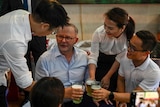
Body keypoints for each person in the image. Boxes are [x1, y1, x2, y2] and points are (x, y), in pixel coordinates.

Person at [0, 0, 69, 106]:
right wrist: (60, 94)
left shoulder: (21, 14)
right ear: (44, 26)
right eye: (53, 31)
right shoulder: (15, 41)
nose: (50, 34)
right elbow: (25, 83)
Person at [92, 30, 160, 106]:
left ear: (146, 53)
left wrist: (110, 95)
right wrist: (122, 100)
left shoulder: (154, 72)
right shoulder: (126, 58)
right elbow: (121, 79)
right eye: (129, 44)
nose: (128, 49)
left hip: (145, 101)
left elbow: (136, 96)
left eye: (133, 48)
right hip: (127, 96)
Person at [88, 7, 135, 106]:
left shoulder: (129, 36)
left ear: (122, 28)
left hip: (118, 64)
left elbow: (120, 58)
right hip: (100, 60)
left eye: (110, 28)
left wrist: (108, 76)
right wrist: (92, 77)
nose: (106, 30)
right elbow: (93, 56)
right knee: (97, 88)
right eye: (105, 25)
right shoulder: (99, 33)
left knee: (114, 90)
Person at [35, 23, 89, 107]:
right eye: (60, 37)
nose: (63, 41)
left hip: (80, 99)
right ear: (56, 37)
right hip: (54, 102)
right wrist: (62, 93)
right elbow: (40, 90)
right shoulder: (44, 59)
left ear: (76, 40)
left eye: (67, 37)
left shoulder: (83, 56)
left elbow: (88, 80)